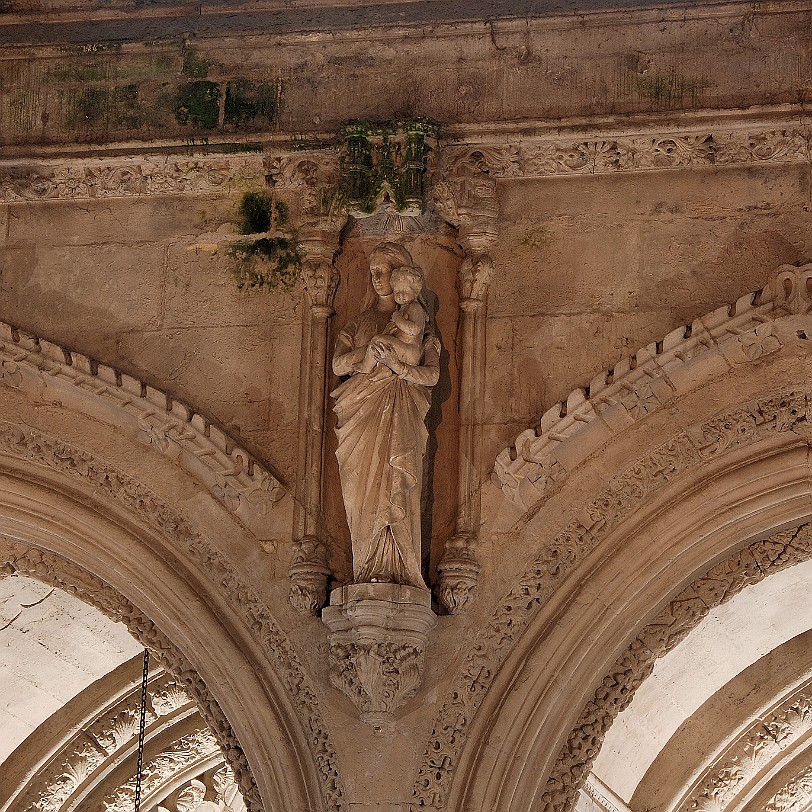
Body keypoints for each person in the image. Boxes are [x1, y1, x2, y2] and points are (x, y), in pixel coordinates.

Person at [331, 243, 440, 588]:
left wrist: (397, 366)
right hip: (359, 412)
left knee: (398, 479)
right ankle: (366, 563)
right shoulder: (358, 323)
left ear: (399, 276)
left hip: (399, 408)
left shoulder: (418, 324)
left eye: (384, 272)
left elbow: (430, 372)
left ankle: (400, 566)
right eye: (372, 272)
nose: (377, 279)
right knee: (360, 487)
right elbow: (337, 364)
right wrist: (368, 354)